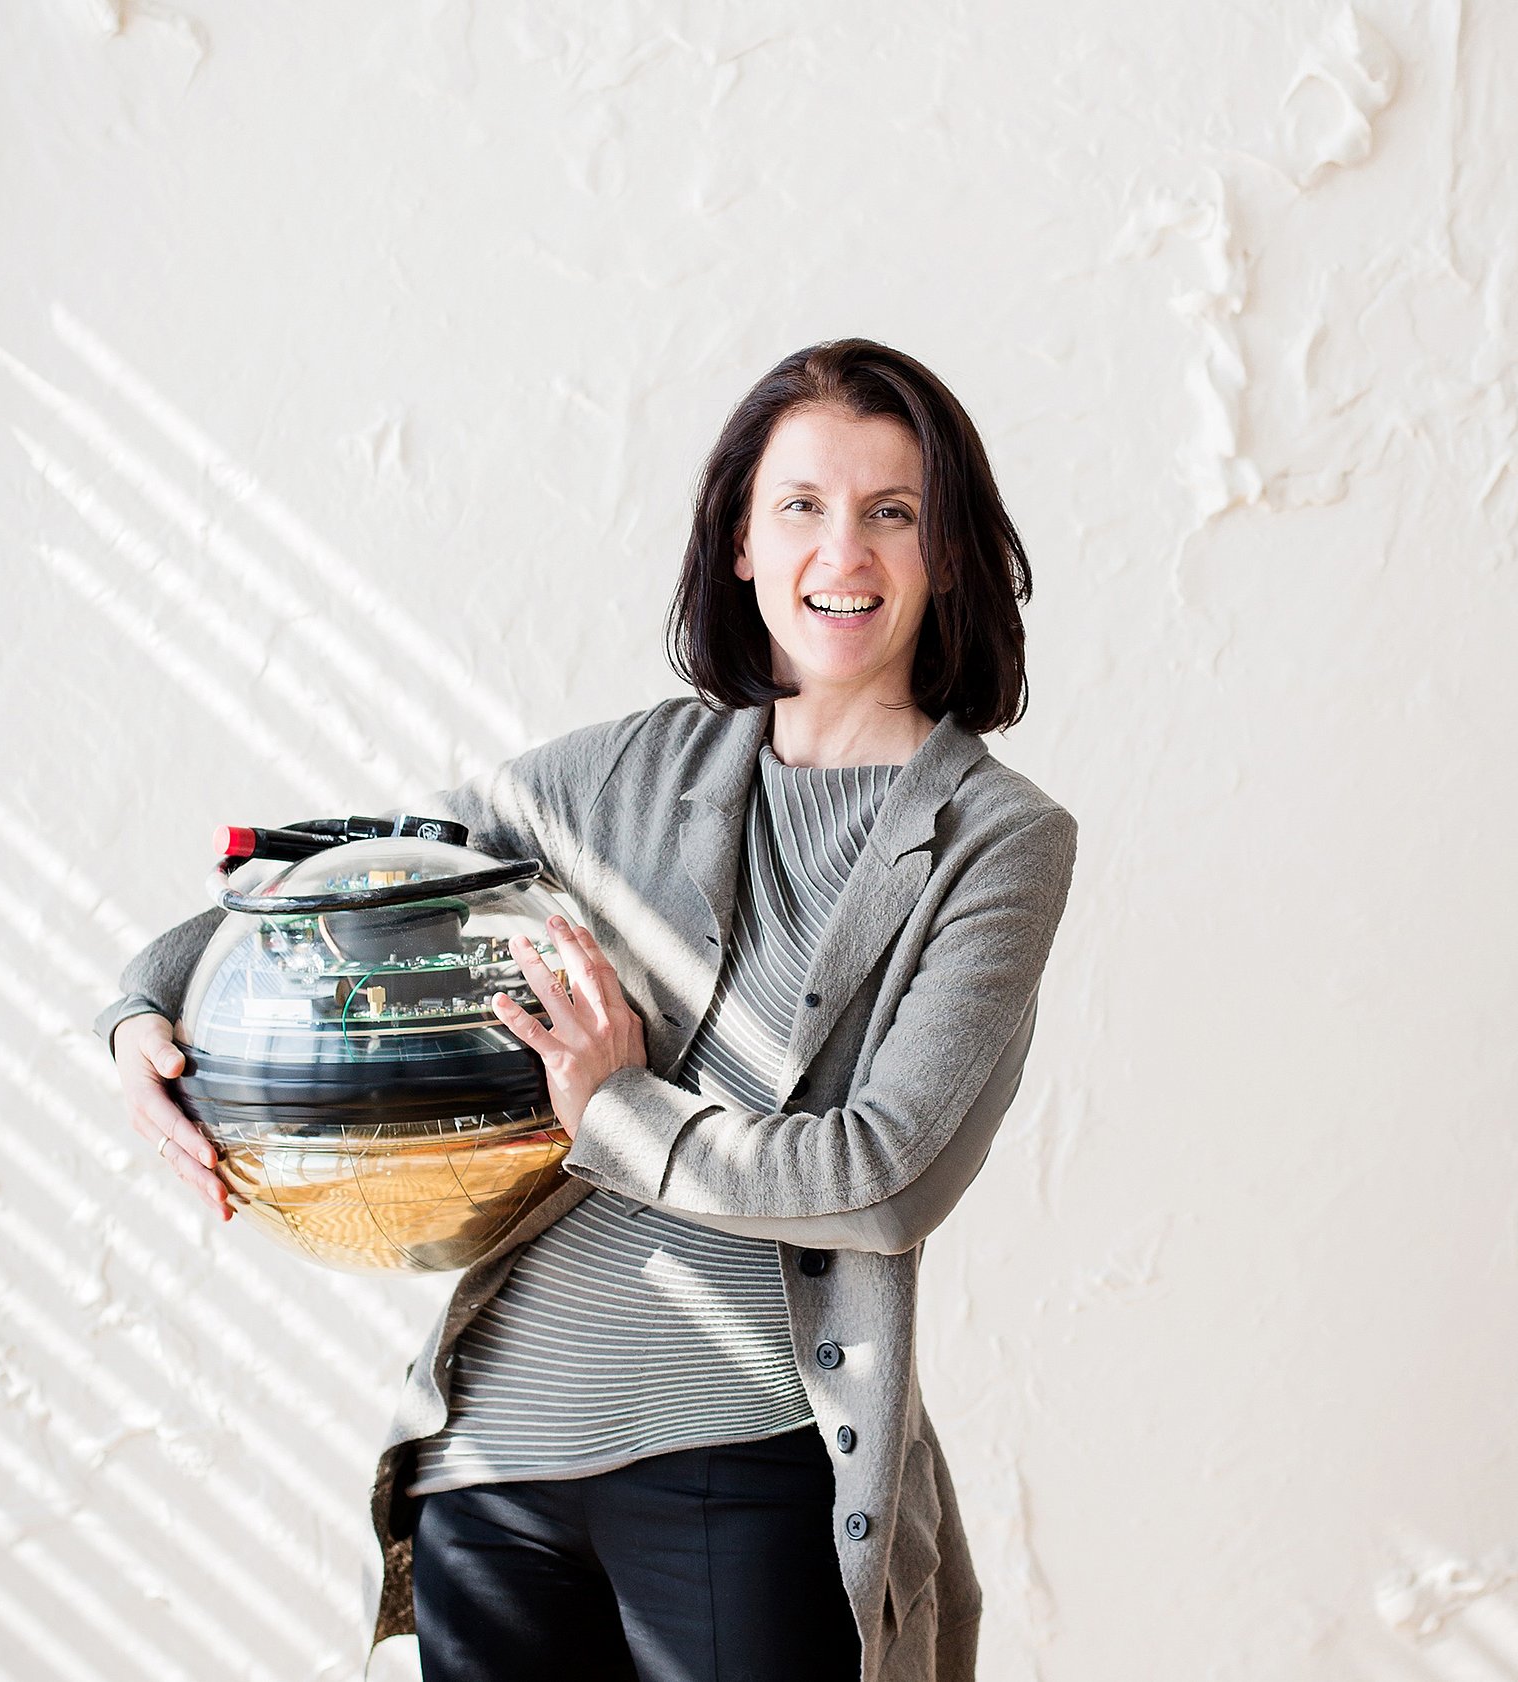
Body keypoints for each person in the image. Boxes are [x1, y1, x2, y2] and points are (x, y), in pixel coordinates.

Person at [98, 338, 1080, 1682]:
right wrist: (147, 1006)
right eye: (800, 505)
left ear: (948, 549)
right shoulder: (615, 773)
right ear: (740, 540)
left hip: (745, 1462)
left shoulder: (997, 839)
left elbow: (882, 1172)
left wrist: (614, 1110)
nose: (841, 551)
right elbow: (363, 881)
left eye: (890, 511)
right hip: (491, 1461)